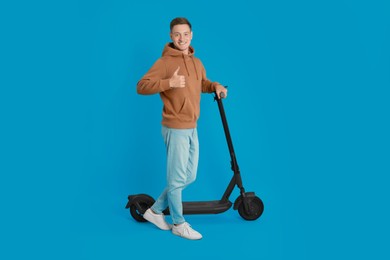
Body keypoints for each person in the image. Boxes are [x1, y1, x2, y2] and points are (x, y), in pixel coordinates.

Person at [136, 17, 227, 240]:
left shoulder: (197, 63)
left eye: (185, 34)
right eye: (177, 34)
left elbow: (202, 83)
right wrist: (169, 83)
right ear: (171, 36)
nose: (182, 38)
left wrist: (215, 86)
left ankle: (156, 211)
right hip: (175, 126)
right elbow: (142, 86)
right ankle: (178, 223)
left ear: (191, 35)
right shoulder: (165, 62)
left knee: (188, 176)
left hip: (192, 126)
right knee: (177, 179)